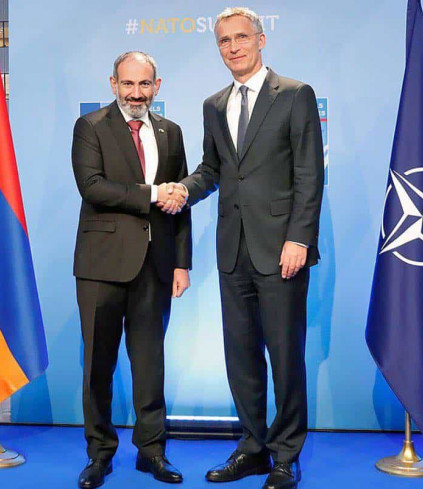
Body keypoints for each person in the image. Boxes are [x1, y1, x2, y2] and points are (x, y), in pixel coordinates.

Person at [159, 7, 324, 489]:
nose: (233, 47)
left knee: (285, 356)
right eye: (223, 41)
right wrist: (183, 189)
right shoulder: (213, 105)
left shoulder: (294, 94)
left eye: (241, 37)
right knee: (241, 356)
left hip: (282, 251)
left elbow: (309, 173)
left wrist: (299, 237)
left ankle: (286, 456)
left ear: (260, 39)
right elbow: (212, 170)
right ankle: (253, 447)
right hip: (232, 251)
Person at [71, 51, 192, 489]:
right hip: (101, 265)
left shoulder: (170, 131)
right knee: (97, 367)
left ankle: (152, 452)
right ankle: (99, 454)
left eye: (144, 84)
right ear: (113, 84)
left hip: (155, 267)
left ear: (157, 86)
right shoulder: (90, 126)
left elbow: (181, 203)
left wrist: (182, 262)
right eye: (128, 84)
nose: (136, 93)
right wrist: (154, 193)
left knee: (150, 365)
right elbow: (92, 187)